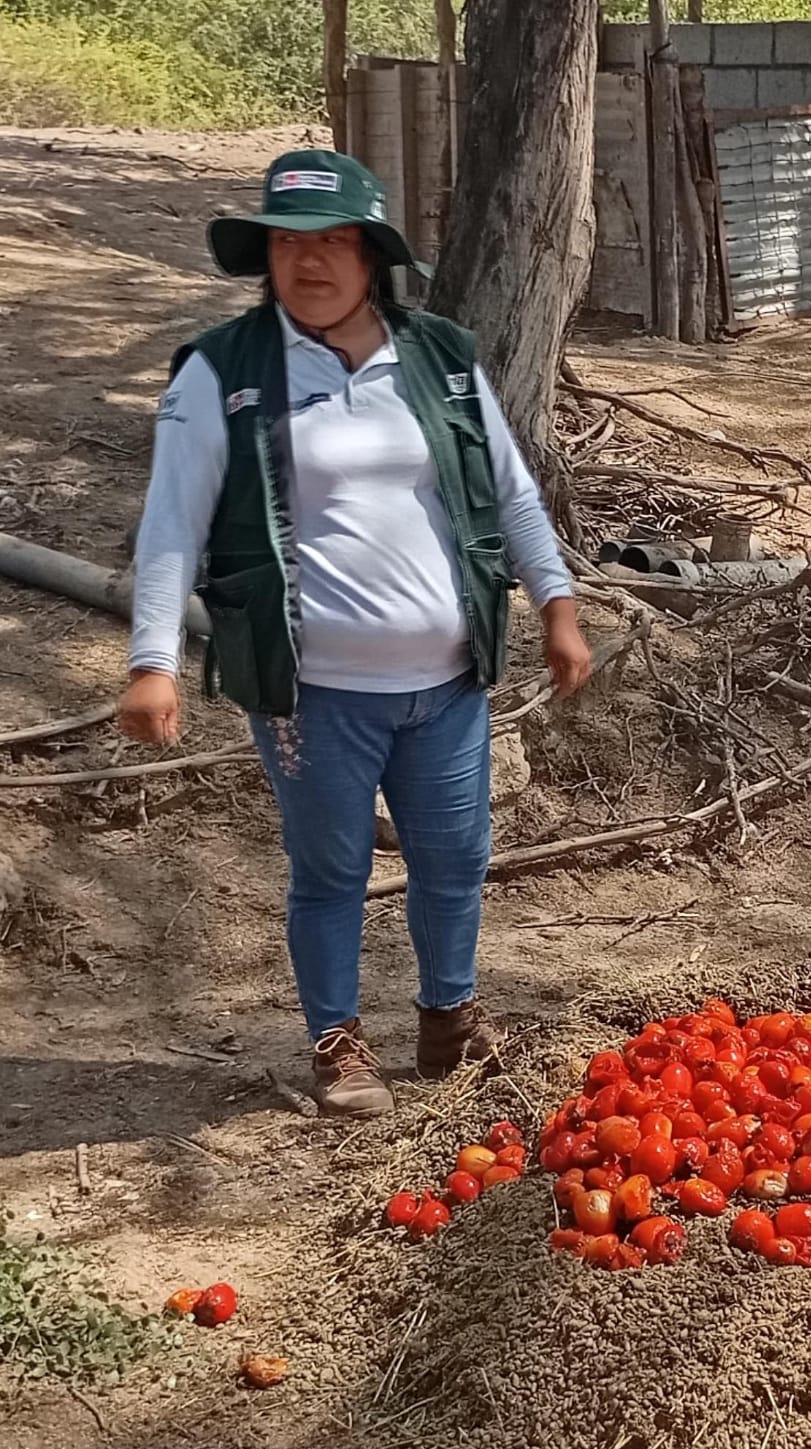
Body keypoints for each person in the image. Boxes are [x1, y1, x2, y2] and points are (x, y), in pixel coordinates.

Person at [119, 150, 591, 1119]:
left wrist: (556, 601)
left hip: (449, 680)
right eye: (291, 243)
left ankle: (447, 1019)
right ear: (267, 257)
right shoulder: (221, 372)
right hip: (313, 688)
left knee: (455, 858)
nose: (311, 262)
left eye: (335, 239)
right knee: (331, 868)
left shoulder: (441, 357)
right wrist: (151, 661)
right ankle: (338, 1043)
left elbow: (509, 489)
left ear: (372, 255)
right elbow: (172, 519)